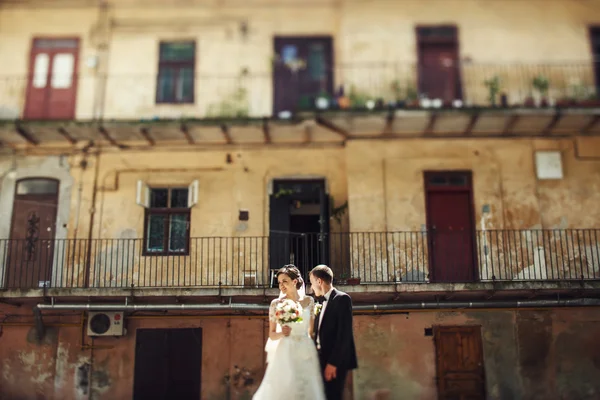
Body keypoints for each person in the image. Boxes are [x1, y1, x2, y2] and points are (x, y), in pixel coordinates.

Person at [253, 265, 326, 400]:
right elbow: (272, 334)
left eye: (284, 281)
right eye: (279, 282)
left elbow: (311, 332)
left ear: (295, 281)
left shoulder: (309, 301)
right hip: (285, 350)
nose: (281, 286)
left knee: (307, 387)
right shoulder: (276, 304)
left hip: (305, 349)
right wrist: (283, 333)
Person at [309, 265, 358, 400]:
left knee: (333, 396)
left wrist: (333, 363)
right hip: (320, 358)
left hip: (334, 361)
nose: (311, 288)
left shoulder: (342, 299)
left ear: (319, 281)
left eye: (312, 283)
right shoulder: (319, 302)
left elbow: (344, 334)